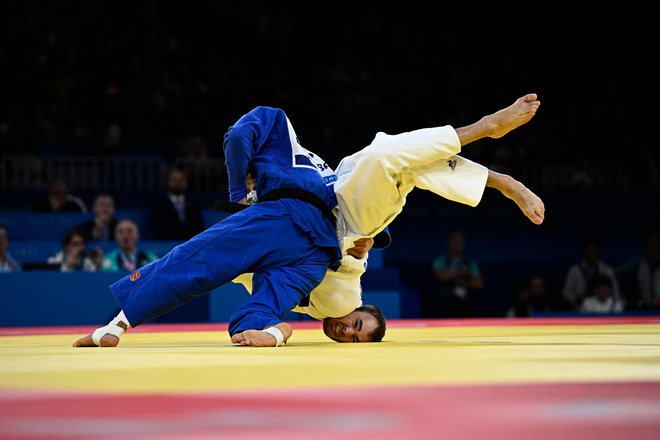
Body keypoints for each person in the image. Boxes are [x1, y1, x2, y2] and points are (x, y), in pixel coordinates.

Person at [73, 93, 545, 348]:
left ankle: (131, 318)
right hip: (332, 211)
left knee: (388, 157)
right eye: (360, 326)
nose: (347, 331)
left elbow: (284, 283)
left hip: (323, 225)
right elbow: (357, 255)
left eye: (354, 339)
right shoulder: (349, 293)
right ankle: (487, 141)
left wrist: (365, 241)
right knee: (383, 156)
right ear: (367, 311)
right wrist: (366, 243)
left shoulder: (322, 304)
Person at [422, 229, 484, 318]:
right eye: (454, 241)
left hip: (465, 306)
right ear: (448, 243)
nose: (457, 244)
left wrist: (460, 280)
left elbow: (479, 284)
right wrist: (462, 272)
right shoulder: (441, 260)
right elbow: (441, 277)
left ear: (464, 244)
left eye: (460, 242)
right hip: (443, 304)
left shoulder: (470, 263)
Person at [561, 236, 621, 311]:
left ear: (598, 252)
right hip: (580, 308)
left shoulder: (606, 269)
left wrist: (612, 303)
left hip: (604, 308)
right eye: (589, 250)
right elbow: (566, 292)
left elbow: (615, 291)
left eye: (594, 251)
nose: (591, 253)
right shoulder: (575, 270)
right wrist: (576, 300)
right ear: (584, 252)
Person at [150, 168, 205, 240]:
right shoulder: (159, 204)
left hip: (191, 242)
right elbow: (157, 228)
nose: (177, 183)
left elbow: (199, 225)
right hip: (168, 242)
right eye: (174, 180)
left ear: (185, 182)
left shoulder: (193, 202)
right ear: (168, 182)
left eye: (181, 180)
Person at [618, 230, 660, 310]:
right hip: (644, 306)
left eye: (654, 245)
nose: (651, 247)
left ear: (658, 246)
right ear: (644, 246)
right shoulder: (638, 264)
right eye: (648, 245)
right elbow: (618, 270)